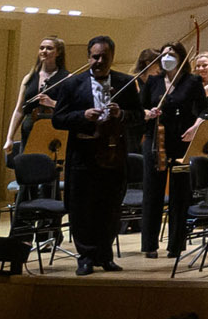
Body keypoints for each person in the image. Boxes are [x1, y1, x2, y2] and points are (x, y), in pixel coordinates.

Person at [51, 36, 142, 276]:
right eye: (95, 56)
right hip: (83, 155)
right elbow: (58, 119)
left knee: (110, 206)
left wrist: (121, 113)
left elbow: (138, 116)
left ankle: (104, 254)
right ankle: (86, 257)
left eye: (104, 57)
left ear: (112, 56)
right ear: (88, 56)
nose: (99, 61)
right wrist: (83, 116)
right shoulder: (72, 84)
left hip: (113, 154)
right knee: (82, 208)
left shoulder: (125, 82)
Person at [141, 41, 206, 259]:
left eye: (172, 54)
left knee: (180, 194)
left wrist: (195, 127)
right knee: (153, 192)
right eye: (164, 54)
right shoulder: (153, 81)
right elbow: (140, 108)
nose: (167, 57)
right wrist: (148, 113)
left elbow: (203, 110)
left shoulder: (192, 81)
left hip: (182, 141)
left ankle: (176, 245)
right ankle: (149, 244)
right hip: (155, 142)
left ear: (180, 58)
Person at [4, 36, 67, 156]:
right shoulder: (29, 77)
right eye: (41, 48)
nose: (44, 51)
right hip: (29, 129)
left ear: (58, 52)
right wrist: (9, 138)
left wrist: (52, 103)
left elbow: (70, 108)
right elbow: (19, 110)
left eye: (49, 48)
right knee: (26, 168)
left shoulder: (66, 78)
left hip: (52, 130)